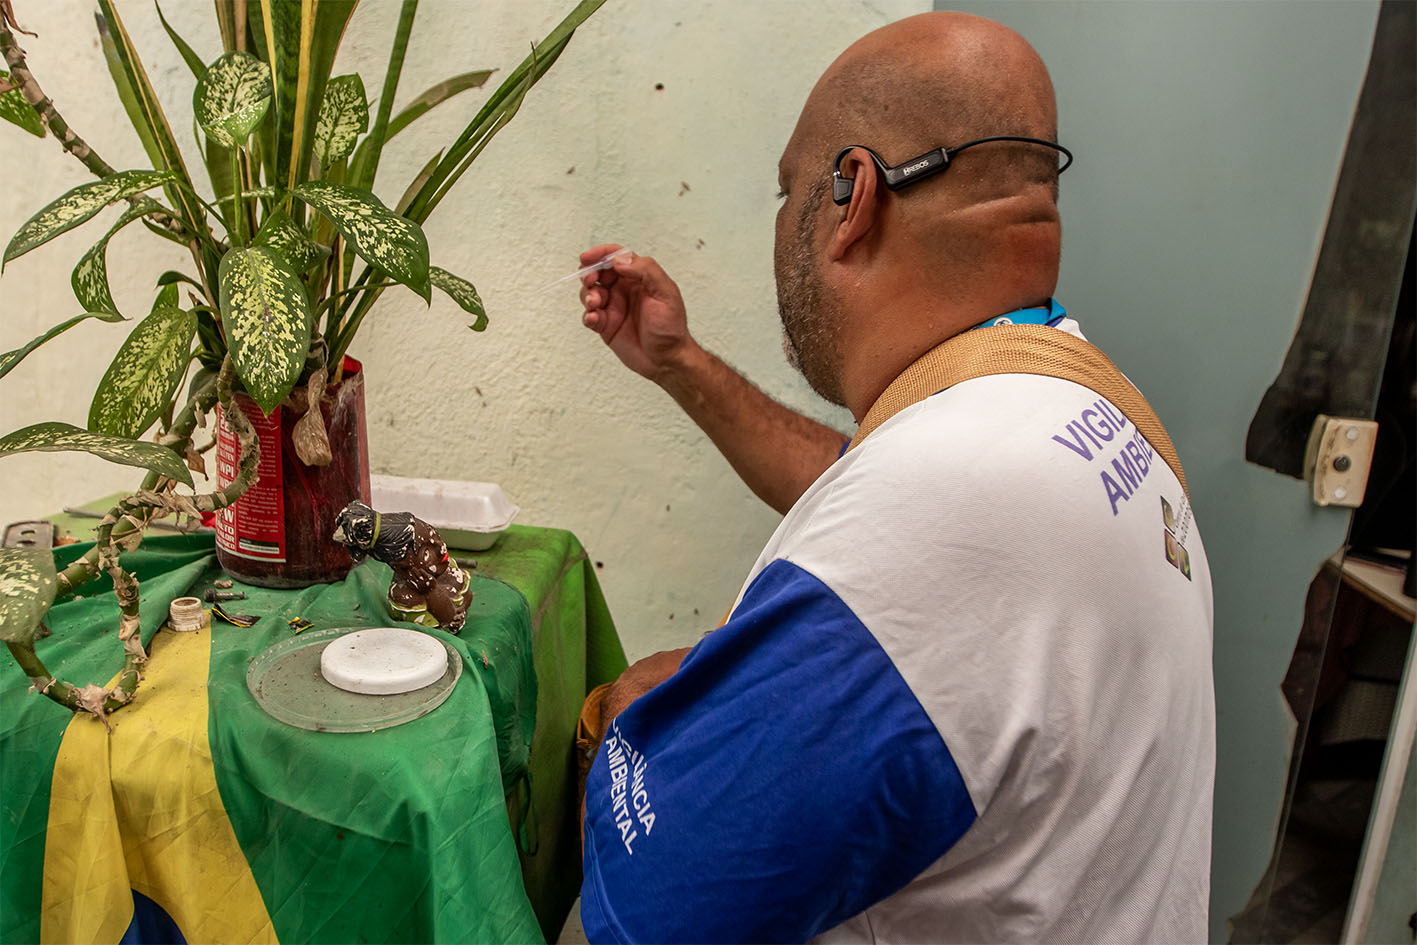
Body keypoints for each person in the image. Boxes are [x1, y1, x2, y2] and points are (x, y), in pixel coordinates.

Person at [575, 11, 1215, 944]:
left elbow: (660, 902)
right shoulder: (1064, 403)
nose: (785, 216)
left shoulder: (950, 502)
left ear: (852, 195)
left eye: (789, 191)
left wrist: (638, 716)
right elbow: (861, 482)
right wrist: (680, 361)